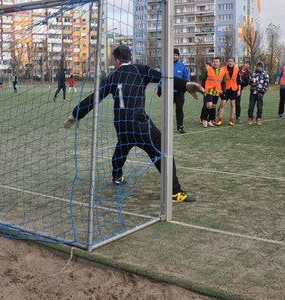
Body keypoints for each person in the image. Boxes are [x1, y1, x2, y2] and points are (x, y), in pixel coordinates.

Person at [63, 46, 203, 202]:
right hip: (138, 123)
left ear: (116, 60)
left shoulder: (111, 76)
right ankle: (175, 192)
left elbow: (93, 98)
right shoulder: (139, 69)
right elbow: (165, 78)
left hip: (121, 124)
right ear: (130, 58)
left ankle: (117, 177)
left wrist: (75, 115)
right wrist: (185, 85)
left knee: (121, 148)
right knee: (163, 150)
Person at [199, 57, 226, 127]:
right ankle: (204, 119)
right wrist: (202, 88)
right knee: (209, 105)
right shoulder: (208, 70)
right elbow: (203, 78)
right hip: (209, 90)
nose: (215, 63)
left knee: (213, 106)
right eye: (214, 62)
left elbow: (224, 82)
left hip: (217, 90)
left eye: (217, 62)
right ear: (212, 63)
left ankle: (211, 120)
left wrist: (224, 90)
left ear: (220, 63)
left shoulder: (223, 72)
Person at [217, 57, 240, 126]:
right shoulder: (223, 69)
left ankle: (231, 120)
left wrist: (239, 90)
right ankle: (220, 120)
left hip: (233, 89)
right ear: (227, 62)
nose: (230, 62)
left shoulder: (237, 69)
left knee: (233, 104)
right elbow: (219, 80)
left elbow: (238, 81)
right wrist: (220, 89)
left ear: (234, 62)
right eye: (229, 61)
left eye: (232, 61)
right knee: (223, 104)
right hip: (225, 89)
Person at [172, 48, 190, 133]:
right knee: (167, 110)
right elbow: (161, 77)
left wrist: (185, 88)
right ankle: (166, 126)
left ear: (178, 56)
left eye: (176, 55)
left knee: (179, 109)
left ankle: (180, 126)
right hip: (169, 93)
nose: (174, 56)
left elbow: (186, 78)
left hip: (179, 93)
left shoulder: (182, 66)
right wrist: (160, 88)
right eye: (173, 54)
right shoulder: (166, 64)